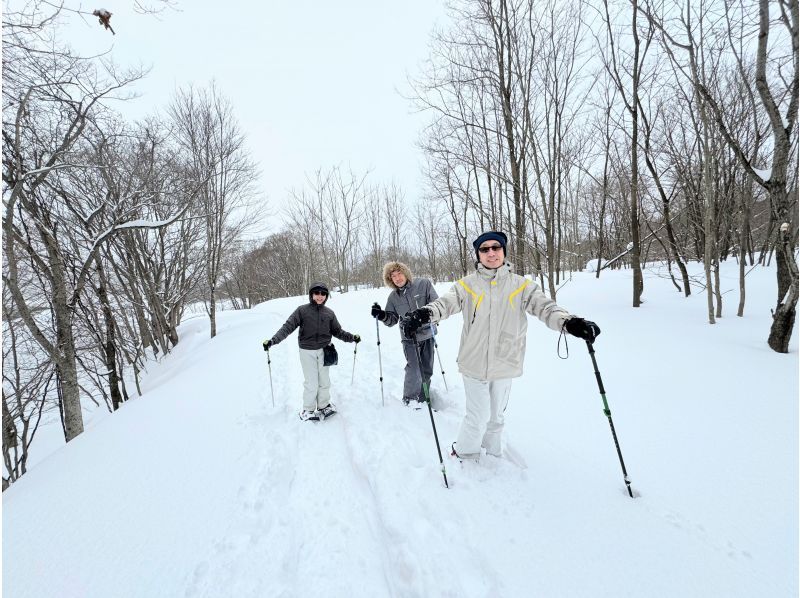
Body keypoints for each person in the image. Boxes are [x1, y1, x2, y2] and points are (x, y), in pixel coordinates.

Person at [402, 231, 600, 460]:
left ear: (504, 251)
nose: (491, 252)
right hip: (474, 362)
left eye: (496, 247)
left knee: (496, 416)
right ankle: (465, 454)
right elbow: (444, 305)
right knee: (478, 415)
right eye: (484, 249)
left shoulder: (522, 286)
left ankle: (492, 453)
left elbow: (546, 308)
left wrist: (570, 322)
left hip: (506, 360)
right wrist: (424, 314)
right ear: (478, 255)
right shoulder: (466, 286)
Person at [263, 282, 360, 421]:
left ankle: (324, 406)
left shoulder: (329, 313)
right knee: (311, 382)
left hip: (324, 350)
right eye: (317, 293)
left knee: (324, 381)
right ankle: (307, 410)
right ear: (311, 295)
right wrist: (273, 340)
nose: (320, 296)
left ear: (326, 296)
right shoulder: (302, 311)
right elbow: (287, 327)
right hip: (307, 351)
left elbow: (338, 331)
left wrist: (352, 338)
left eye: (323, 294)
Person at [370, 262, 439, 406]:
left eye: (399, 273)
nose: (397, 278)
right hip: (409, 338)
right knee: (414, 369)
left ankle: (423, 397)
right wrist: (382, 315)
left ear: (405, 273)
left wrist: (426, 318)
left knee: (427, 369)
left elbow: (437, 305)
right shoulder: (393, 297)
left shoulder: (423, 284)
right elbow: (391, 320)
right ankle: (410, 400)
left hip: (427, 334)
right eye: (393, 276)